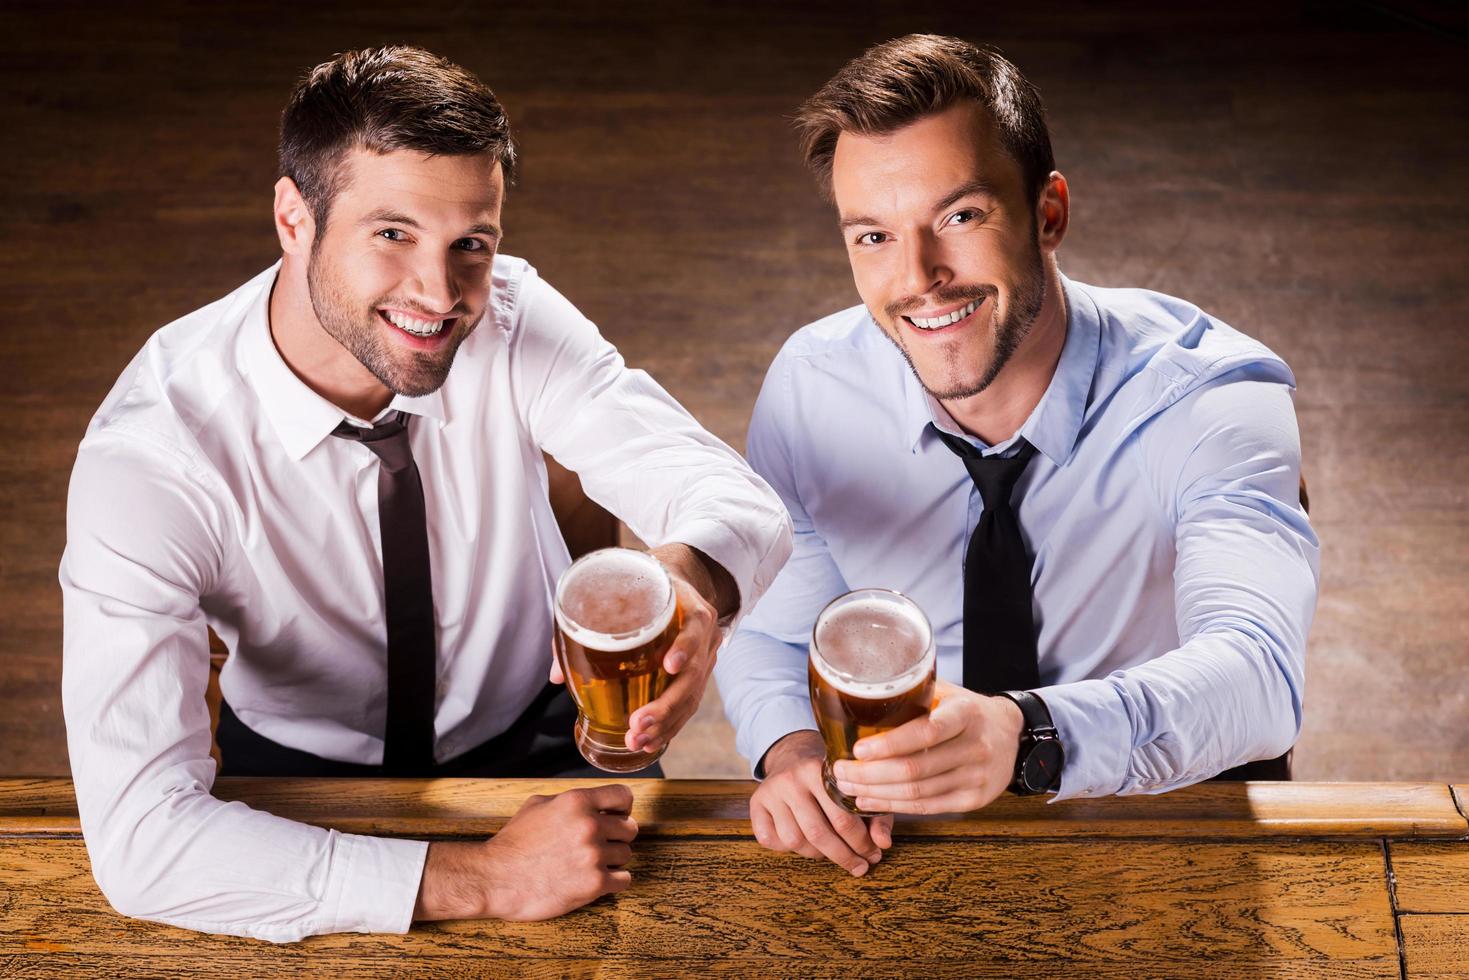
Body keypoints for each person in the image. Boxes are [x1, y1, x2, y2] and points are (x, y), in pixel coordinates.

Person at [59, 45, 791, 942]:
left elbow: (730, 496)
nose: (440, 295)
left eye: (470, 244)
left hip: (545, 746)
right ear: (294, 218)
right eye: (392, 234)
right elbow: (144, 845)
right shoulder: (152, 456)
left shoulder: (514, 315)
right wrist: (479, 878)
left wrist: (694, 586)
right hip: (293, 785)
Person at [715, 34, 1319, 877]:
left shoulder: (1208, 394)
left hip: (1159, 823)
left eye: (960, 217)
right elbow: (777, 634)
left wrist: (1028, 734)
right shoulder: (812, 387)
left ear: (1048, 213)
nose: (920, 277)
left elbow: (1257, 676)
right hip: (907, 837)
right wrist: (787, 755)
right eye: (874, 237)